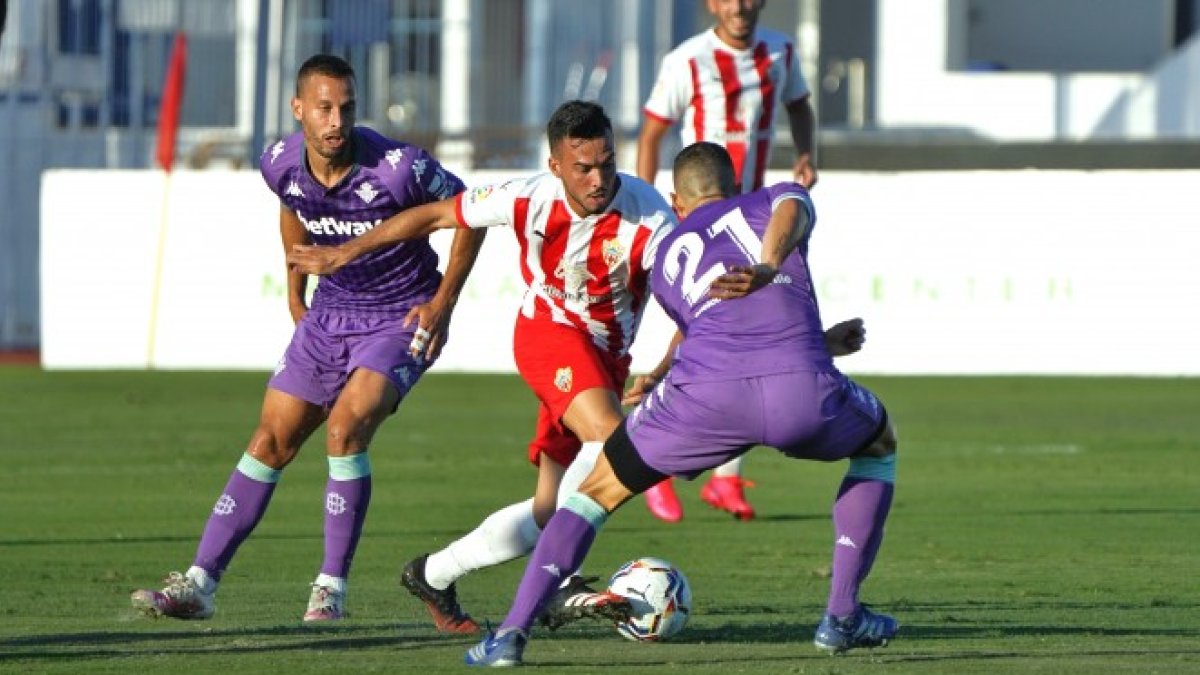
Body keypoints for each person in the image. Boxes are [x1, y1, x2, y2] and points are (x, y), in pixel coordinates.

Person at [463, 142, 898, 667]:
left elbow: (715, 335)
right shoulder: (771, 198)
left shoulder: (667, 251)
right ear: (734, 186)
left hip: (702, 401)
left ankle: (510, 635)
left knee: (593, 493)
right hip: (798, 391)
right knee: (878, 443)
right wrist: (768, 265)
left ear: (677, 199)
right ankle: (843, 616)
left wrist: (658, 376)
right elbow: (793, 208)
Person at [286, 100, 677, 633]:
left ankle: (434, 573)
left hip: (605, 359)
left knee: (550, 511)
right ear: (556, 164)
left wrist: (666, 362)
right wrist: (343, 253)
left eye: (606, 163)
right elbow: (437, 214)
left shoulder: (649, 214)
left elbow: (687, 295)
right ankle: (564, 581)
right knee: (612, 442)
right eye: (582, 167)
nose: (598, 178)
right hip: (550, 335)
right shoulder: (528, 196)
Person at [130, 54, 485, 622]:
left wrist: (441, 304)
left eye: (346, 107)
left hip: (398, 317)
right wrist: (295, 292)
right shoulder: (277, 162)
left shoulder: (398, 168)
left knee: (346, 429)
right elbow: (291, 208)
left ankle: (330, 591)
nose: (336, 120)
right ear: (300, 110)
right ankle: (200, 584)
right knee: (270, 439)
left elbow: (469, 215)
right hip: (330, 315)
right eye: (324, 108)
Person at [635, 0, 820, 524]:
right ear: (710, 4)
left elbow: (801, 105)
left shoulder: (781, 52)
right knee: (694, 336)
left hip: (756, 221)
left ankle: (725, 478)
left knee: (752, 339)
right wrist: (654, 206)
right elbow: (651, 133)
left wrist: (807, 153)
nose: (739, 5)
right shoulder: (686, 60)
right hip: (700, 221)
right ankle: (659, 463)